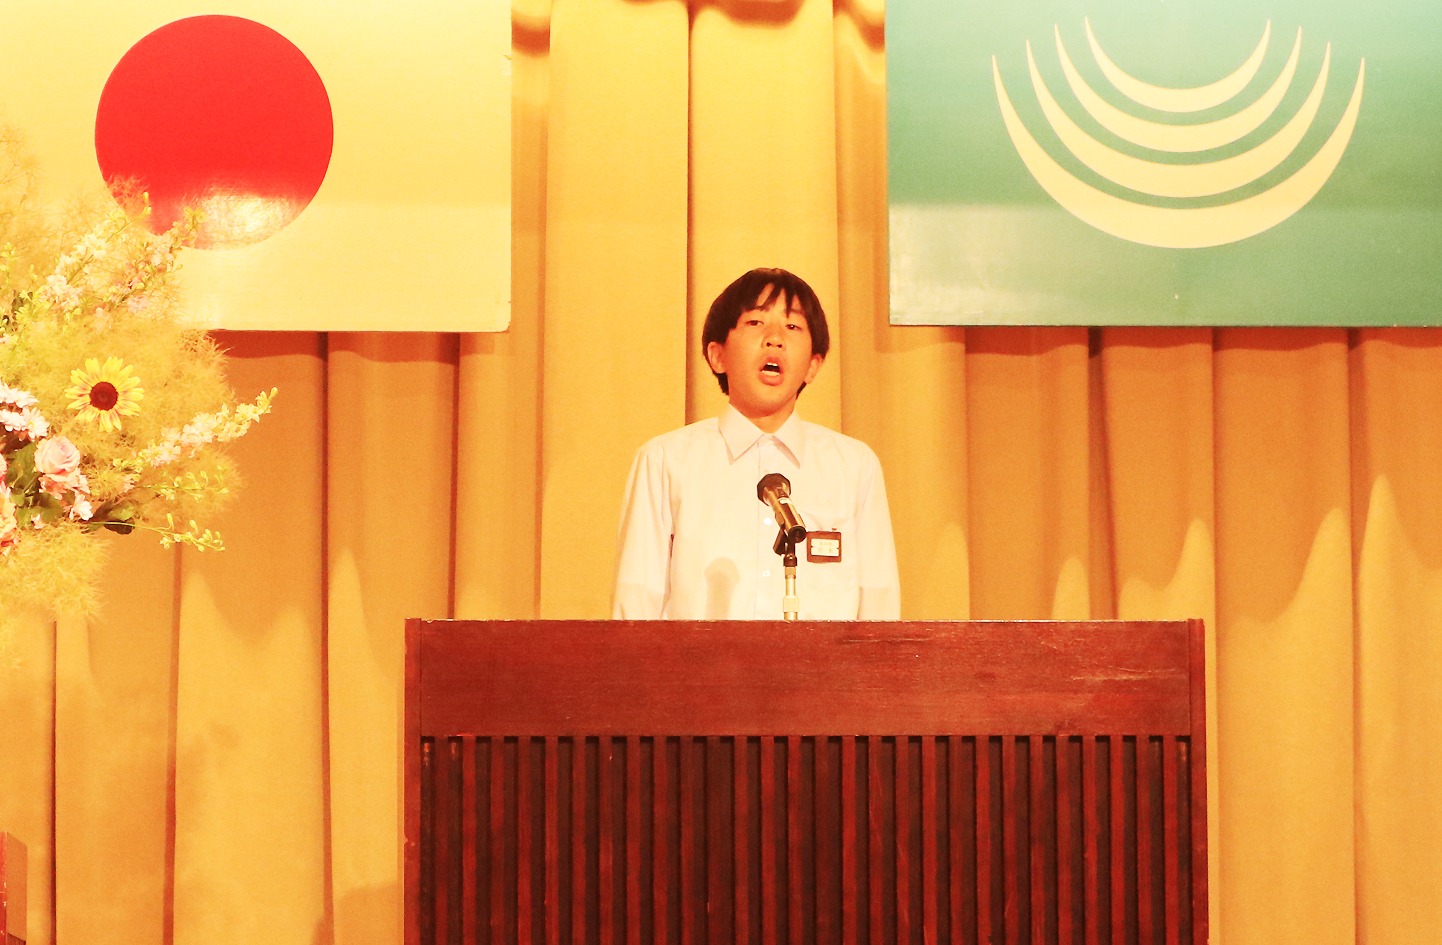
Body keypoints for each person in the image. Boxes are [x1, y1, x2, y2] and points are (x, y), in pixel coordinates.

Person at [611, 267, 900, 620]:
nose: (774, 338)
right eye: (755, 322)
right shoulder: (665, 461)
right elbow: (636, 602)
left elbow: (878, 605)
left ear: (813, 365)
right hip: (700, 659)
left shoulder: (854, 467)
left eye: (792, 326)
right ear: (717, 356)